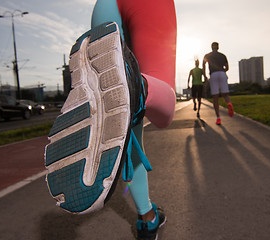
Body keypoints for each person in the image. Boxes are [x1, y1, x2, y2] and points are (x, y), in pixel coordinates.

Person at [44, 1, 177, 239]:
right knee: (163, 106)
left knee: (125, 132)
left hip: (104, 6)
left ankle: (148, 218)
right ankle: (137, 86)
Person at [202, 42, 234, 125]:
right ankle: (229, 103)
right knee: (225, 94)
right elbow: (227, 67)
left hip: (213, 74)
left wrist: (205, 76)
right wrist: (223, 71)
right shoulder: (223, 56)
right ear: (218, 47)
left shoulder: (207, 55)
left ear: (212, 47)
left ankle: (218, 118)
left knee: (215, 97)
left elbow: (204, 65)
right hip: (222, 74)